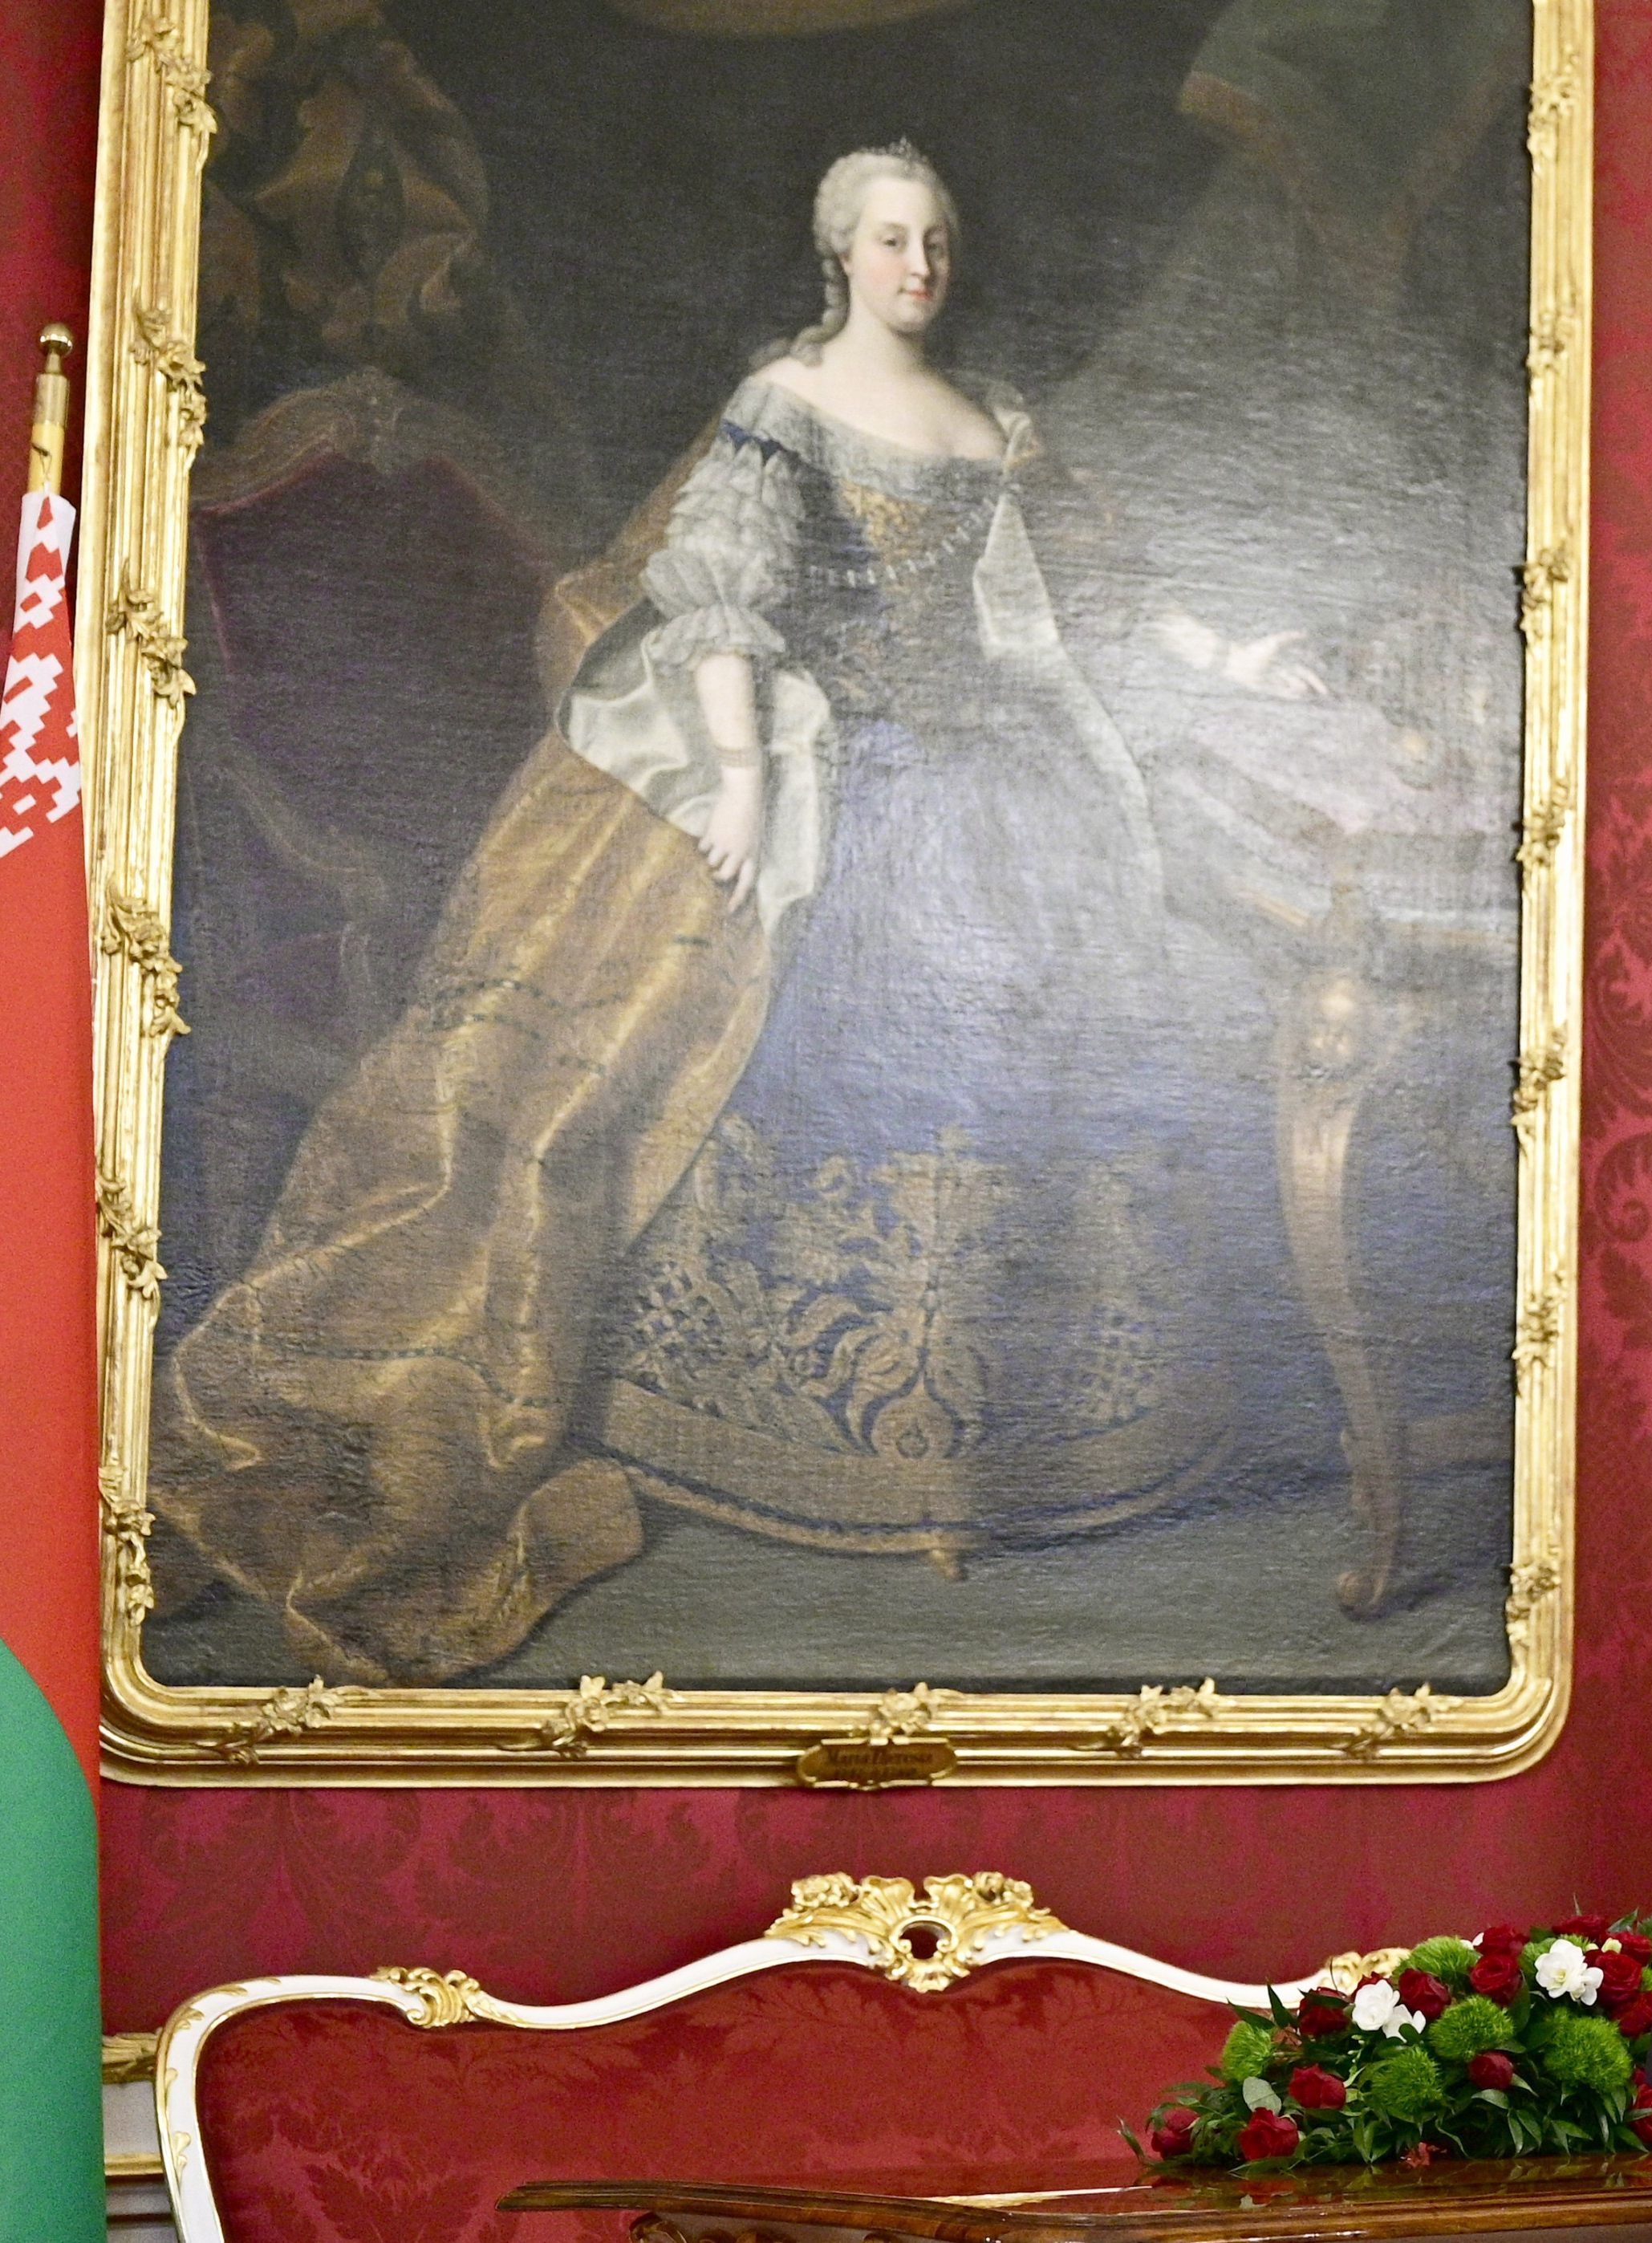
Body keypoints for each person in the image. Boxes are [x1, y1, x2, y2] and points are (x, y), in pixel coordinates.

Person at [155, 144, 1244, 1682]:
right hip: (830, 777)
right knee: (798, 1018)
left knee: (1054, 1008)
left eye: (936, 238)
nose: (917, 264)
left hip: (992, 778)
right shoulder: (786, 404)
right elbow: (713, 595)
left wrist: (1242, 663)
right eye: (888, 240)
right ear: (838, 256)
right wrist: (737, 778)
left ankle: (1027, 1437)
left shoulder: (993, 418)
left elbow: (1102, 592)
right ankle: (786, 1425)